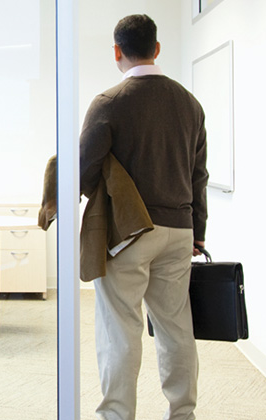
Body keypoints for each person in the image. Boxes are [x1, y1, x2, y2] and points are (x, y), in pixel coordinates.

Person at [79, 14, 209, 420]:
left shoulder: (109, 103)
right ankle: (183, 413)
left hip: (130, 233)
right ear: (156, 48)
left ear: (117, 51)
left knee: (121, 327)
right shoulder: (190, 103)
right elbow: (198, 175)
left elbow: (82, 172)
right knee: (175, 327)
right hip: (179, 231)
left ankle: (117, 415)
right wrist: (198, 233)